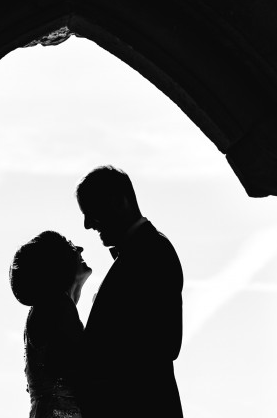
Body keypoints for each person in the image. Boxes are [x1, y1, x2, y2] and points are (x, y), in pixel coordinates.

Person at [75, 165, 183, 418]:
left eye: (91, 212)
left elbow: (166, 343)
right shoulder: (143, 251)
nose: (87, 224)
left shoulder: (152, 252)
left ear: (118, 202)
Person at [10, 230, 93, 418]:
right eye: (71, 247)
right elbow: (86, 370)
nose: (80, 249)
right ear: (56, 264)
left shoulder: (46, 309)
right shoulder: (56, 306)